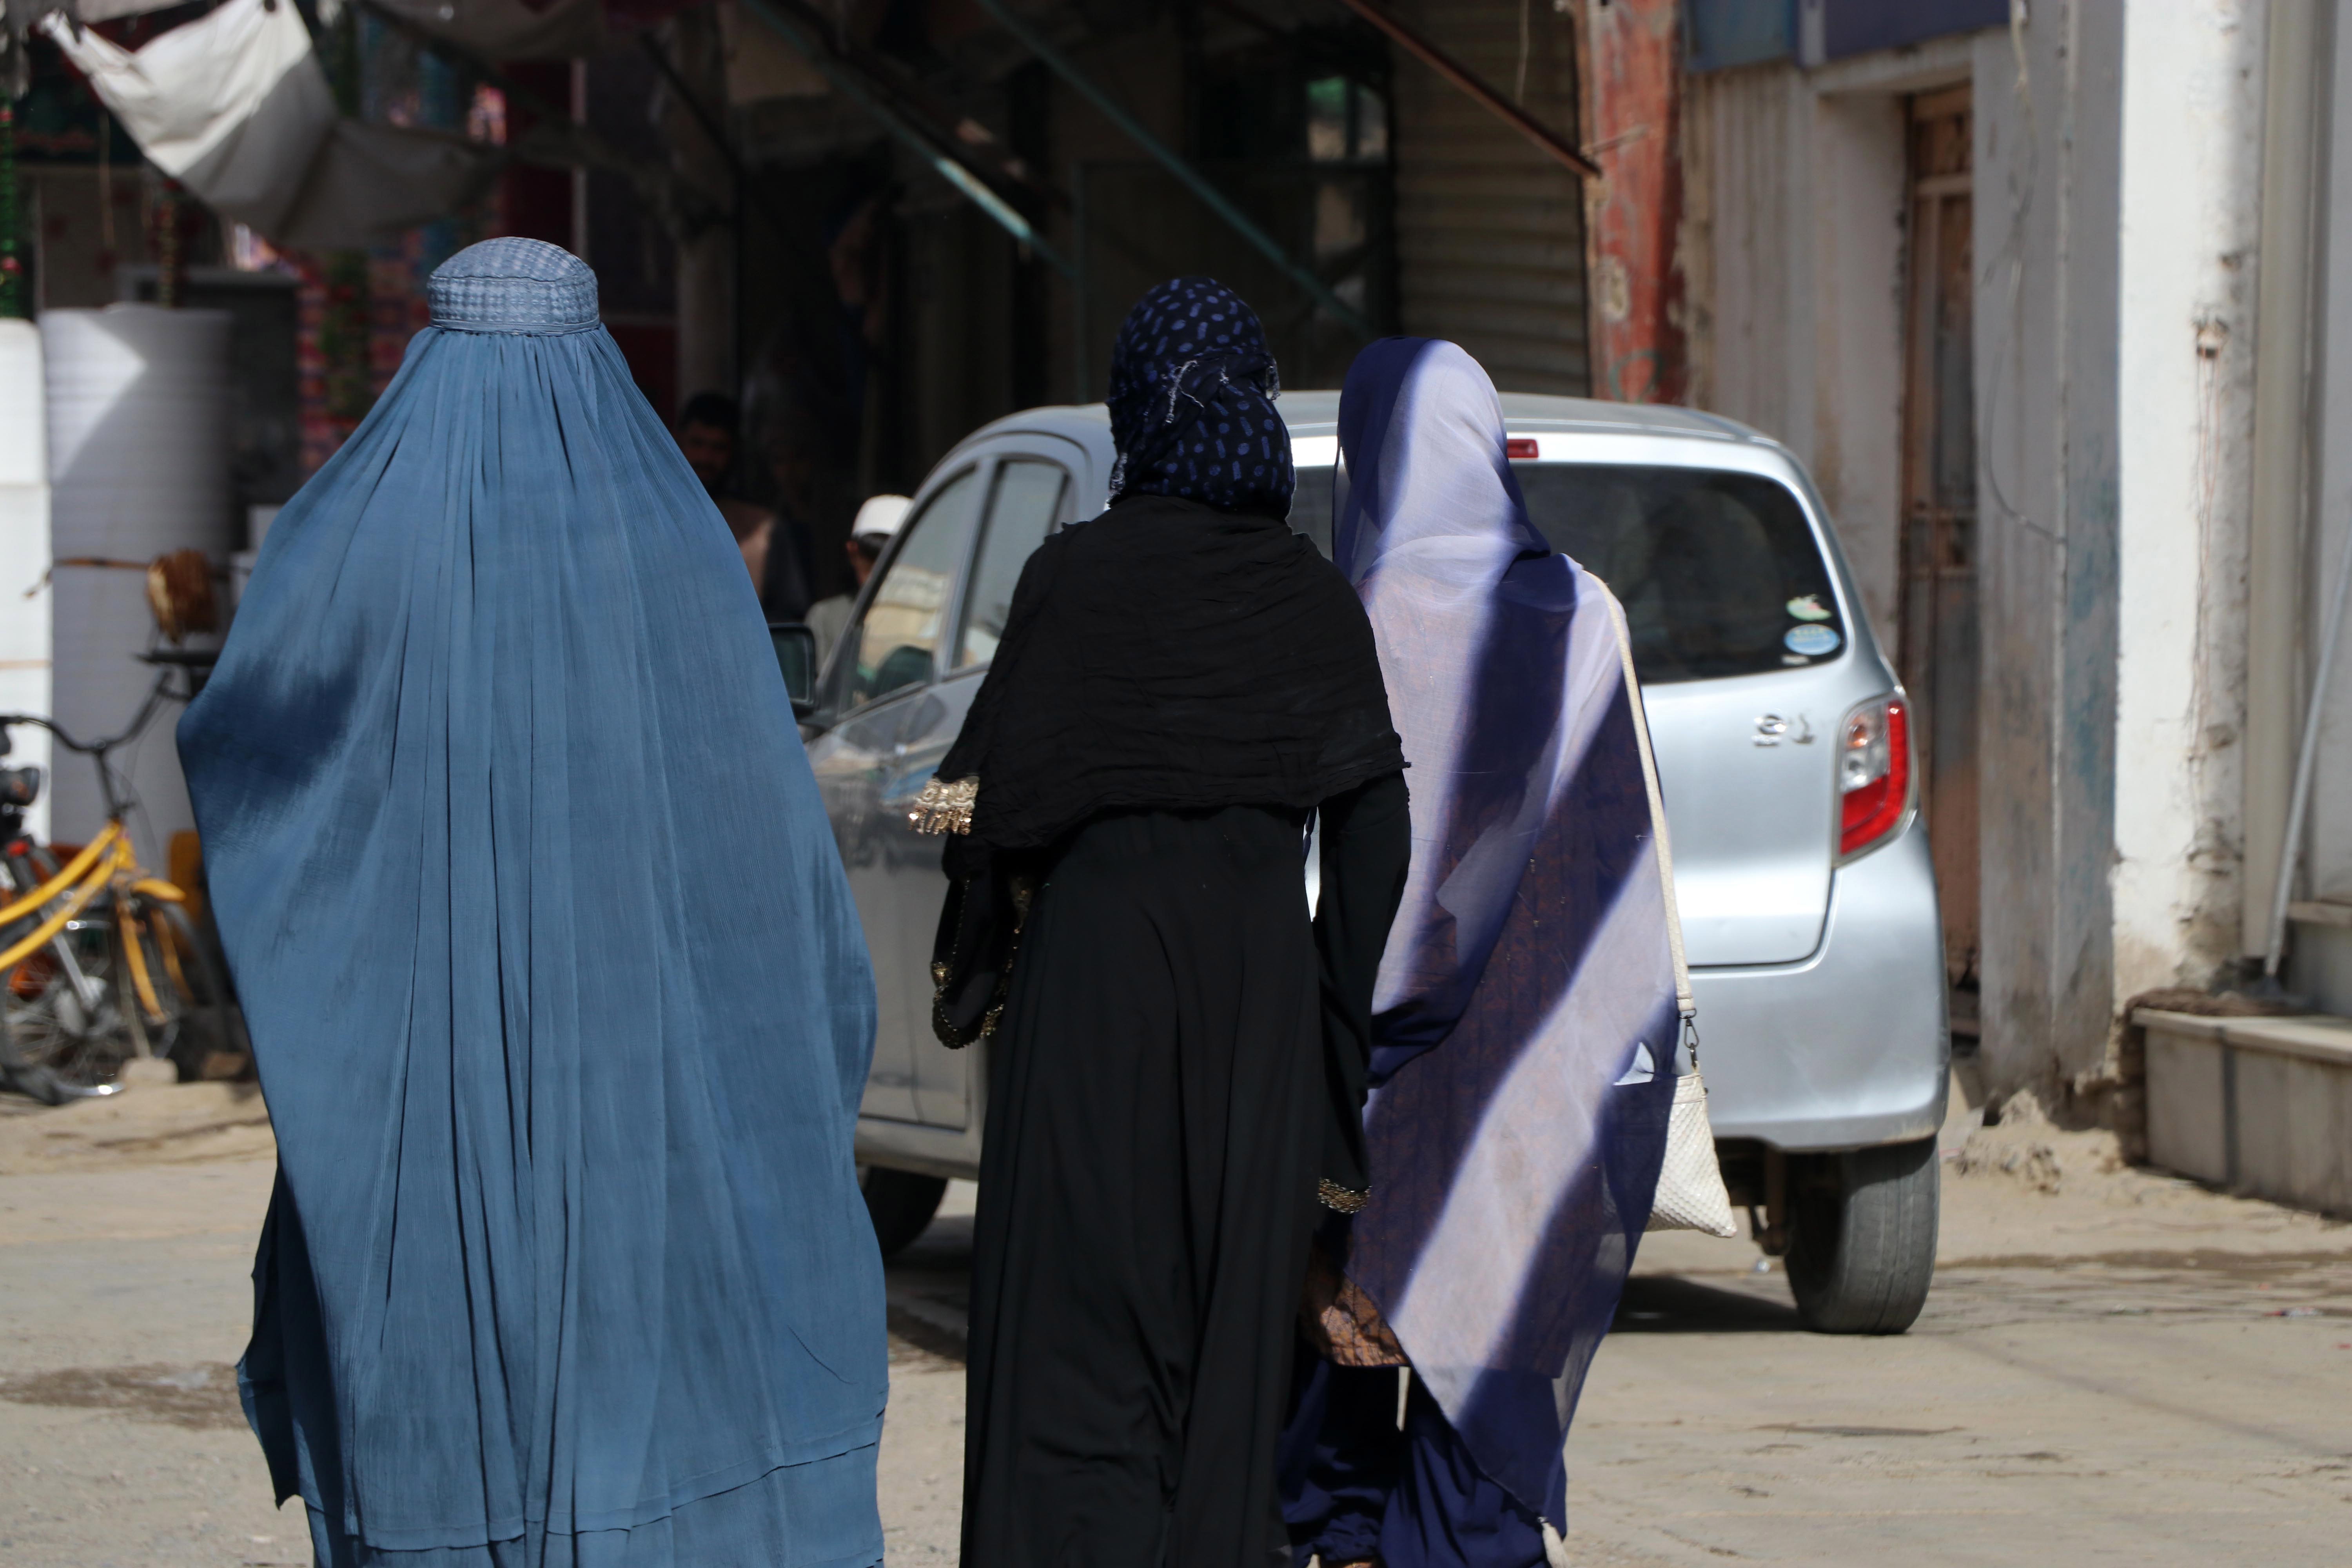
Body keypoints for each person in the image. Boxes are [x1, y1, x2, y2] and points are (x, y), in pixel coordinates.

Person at [177, 239, 888, 1568]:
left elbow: (248, 748)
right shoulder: (678, 541)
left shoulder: (363, 533)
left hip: (428, 1099)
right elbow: (781, 877)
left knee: (454, 1410)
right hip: (660, 1109)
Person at [918, 278, 1412, 1568]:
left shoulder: (1071, 585)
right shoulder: (1310, 603)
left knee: (1073, 1376)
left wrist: (981, 943)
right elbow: (1378, 831)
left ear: (1135, 408)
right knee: (1222, 1386)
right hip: (1251, 1026)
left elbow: (970, 806)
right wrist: (1330, 1048)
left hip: (1088, 1016)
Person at [1276, 337, 1686, 1568]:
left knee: (1332, 1416)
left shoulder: (1351, 622)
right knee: (1480, 1439)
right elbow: (1619, 864)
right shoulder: (1586, 613)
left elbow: (1333, 879)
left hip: (1374, 1092)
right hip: (1532, 1090)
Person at [804, 493, 908, 670]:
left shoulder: (937, 619)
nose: (881, 579)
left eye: (894, 567)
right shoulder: (826, 619)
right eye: (870, 566)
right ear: (853, 553)